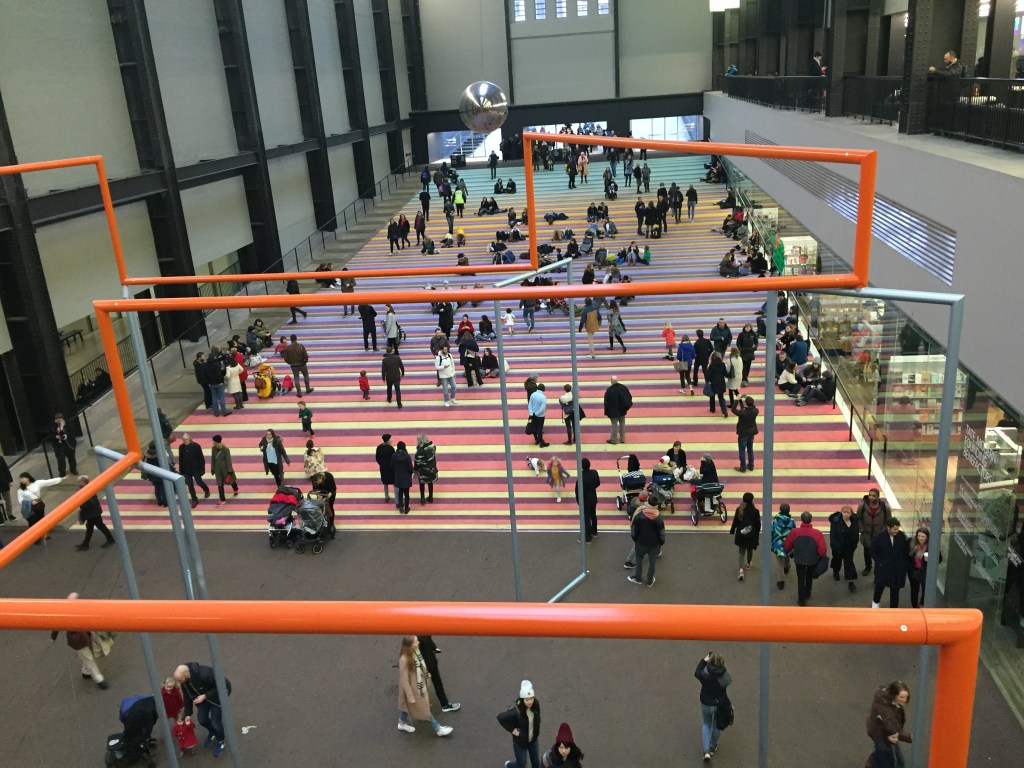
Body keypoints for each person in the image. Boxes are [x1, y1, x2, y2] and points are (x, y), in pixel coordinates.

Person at [51, 592, 114, 689]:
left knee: (89, 656)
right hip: (79, 640)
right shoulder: (66, 613)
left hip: (86, 636)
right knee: (88, 658)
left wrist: (53, 638)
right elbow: (56, 626)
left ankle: (86, 671)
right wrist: (53, 637)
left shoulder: (74, 609)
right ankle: (99, 680)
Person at [397, 635, 454, 737]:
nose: (418, 643)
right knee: (424, 709)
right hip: (413, 691)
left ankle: (401, 723)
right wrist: (410, 697)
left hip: (418, 687)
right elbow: (404, 680)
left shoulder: (416, 652)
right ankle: (438, 728)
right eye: (415, 642)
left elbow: (421, 666)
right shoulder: (404, 660)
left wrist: (426, 674)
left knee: (406, 708)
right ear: (410, 645)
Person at [174, 662, 230, 757]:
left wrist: (205, 696)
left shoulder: (205, 674)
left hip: (216, 698)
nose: (179, 683)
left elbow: (223, 685)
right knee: (202, 720)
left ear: (186, 675)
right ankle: (213, 732)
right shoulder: (184, 680)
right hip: (202, 698)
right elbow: (187, 696)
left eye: (179, 680)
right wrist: (188, 714)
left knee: (215, 722)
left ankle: (220, 740)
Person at [784, 511, 828, 606]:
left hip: (799, 559)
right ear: (811, 520)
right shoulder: (817, 533)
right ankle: (808, 592)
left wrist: (788, 551)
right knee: (809, 576)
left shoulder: (794, 532)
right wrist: (821, 556)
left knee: (800, 578)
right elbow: (822, 550)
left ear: (801, 519)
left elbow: (787, 546)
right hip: (812, 559)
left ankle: (801, 599)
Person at [695, 652, 732, 762]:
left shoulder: (705, 673)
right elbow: (728, 681)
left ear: (710, 662)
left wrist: (703, 661)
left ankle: (706, 751)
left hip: (706, 703)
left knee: (706, 724)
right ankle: (713, 746)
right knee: (717, 725)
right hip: (719, 704)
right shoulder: (725, 674)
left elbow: (697, 672)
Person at [866, 681, 912, 766]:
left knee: (894, 759)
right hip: (880, 733)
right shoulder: (884, 707)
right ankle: (873, 761)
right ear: (894, 695)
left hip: (890, 732)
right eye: (901, 697)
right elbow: (891, 723)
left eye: (906, 697)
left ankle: (873, 761)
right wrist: (911, 738)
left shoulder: (893, 702)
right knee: (891, 760)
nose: (904, 700)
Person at [498, 680, 542, 768]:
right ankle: (509, 765)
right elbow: (500, 717)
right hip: (520, 742)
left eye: (531, 699)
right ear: (522, 699)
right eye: (527, 699)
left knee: (536, 762)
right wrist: (512, 730)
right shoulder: (517, 711)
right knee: (521, 764)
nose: (530, 702)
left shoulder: (535, 705)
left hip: (533, 740)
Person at [628, 490, 665, 587]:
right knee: (652, 562)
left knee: (639, 559)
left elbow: (634, 529)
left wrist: (635, 538)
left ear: (647, 502)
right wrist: (661, 541)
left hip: (641, 542)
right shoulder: (659, 516)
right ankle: (649, 581)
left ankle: (638, 578)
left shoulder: (640, 514)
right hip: (654, 544)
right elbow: (661, 531)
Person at [871, 518, 909, 608]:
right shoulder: (879, 537)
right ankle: (875, 605)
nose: (896, 531)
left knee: (895, 591)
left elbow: (905, 551)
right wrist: (879, 562)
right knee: (879, 588)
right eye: (894, 529)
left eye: (897, 529)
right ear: (888, 527)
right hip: (883, 568)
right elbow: (872, 551)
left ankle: (893, 610)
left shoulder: (901, 536)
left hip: (897, 569)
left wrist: (903, 564)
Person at [416, 635, 460, 714]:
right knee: (423, 685)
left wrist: (434, 648)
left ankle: (444, 704)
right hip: (426, 666)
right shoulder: (417, 636)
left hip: (430, 663)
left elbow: (429, 640)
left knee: (433, 683)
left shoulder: (422, 631)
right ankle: (417, 705)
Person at [855, 488, 893, 576]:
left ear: (878, 497)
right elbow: (858, 518)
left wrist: (883, 532)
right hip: (866, 534)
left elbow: (889, 521)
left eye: (874, 496)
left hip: (879, 535)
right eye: (870, 495)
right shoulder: (862, 506)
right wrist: (862, 529)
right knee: (867, 552)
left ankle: (879, 569)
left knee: (879, 553)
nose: (871, 497)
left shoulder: (885, 507)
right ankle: (868, 567)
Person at [72, 474, 115, 551]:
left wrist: (82, 506)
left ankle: (110, 540)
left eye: (79, 482)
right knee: (90, 528)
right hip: (92, 513)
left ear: (84, 482)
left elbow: (90, 503)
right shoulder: (87, 488)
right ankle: (86, 543)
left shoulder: (87, 490)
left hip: (93, 513)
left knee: (100, 526)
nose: (78, 483)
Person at [18, 472, 63, 539]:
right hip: (30, 507)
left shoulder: (37, 483)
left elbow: (48, 482)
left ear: (28, 477)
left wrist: (61, 478)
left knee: (41, 520)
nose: (22, 480)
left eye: (23, 478)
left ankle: (43, 535)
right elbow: (20, 500)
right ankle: (35, 538)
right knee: (32, 523)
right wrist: (30, 502)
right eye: (20, 478)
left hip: (39, 505)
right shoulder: (20, 490)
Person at [730, 492, 761, 581]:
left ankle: (740, 570)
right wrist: (757, 532)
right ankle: (748, 564)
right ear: (752, 500)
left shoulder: (739, 509)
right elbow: (758, 524)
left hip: (741, 533)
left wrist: (732, 530)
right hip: (751, 534)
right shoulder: (755, 511)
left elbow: (735, 521)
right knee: (750, 549)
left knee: (741, 551)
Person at [829, 505, 860, 593]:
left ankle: (851, 581)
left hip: (849, 547)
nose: (846, 514)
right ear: (841, 512)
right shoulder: (836, 522)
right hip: (838, 546)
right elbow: (833, 536)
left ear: (851, 513)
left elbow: (856, 534)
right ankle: (836, 571)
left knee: (849, 563)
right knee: (837, 560)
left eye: (848, 512)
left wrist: (854, 545)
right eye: (844, 512)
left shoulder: (854, 521)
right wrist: (835, 546)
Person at [177, 433, 210, 506]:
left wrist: (202, 469)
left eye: (186, 439)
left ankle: (206, 489)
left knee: (199, 482)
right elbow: (181, 459)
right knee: (190, 485)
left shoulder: (196, 446)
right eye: (183, 440)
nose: (184, 441)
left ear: (190, 438)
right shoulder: (181, 447)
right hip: (186, 470)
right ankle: (194, 500)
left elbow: (201, 459)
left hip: (196, 469)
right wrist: (181, 470)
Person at [574, 457, 601, 541]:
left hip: (585, 501)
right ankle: (594, 532)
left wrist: (579, 501)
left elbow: (578, 491)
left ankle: (587, 537)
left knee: (586, 518)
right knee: (593, 515)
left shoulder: (581, 477)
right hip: (593, 497)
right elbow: (598, 483)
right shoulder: (594, 472)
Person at [770, 503, 795, 590]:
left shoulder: (775, 520)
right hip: (788, 544)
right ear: (789, 510)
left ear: (780, 510)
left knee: (780, 562)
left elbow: (771, 531)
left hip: (777, 544)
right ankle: (787, 566)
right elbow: (794, 533)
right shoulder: (791, 521)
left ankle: (780, 581)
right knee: (786, 555)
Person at [907, 527, 934, 608]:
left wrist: (930, 560)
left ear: (927, 537)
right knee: (914, 590)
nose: (920, 538)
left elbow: (939, 558)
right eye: (918, 536)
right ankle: (915, 607)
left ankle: (922, 603)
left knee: (925, 589)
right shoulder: (911, 543)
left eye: (923, 537)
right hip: (913, 571)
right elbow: (907, 557)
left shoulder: (931, 546)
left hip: (925, 571)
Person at [731, 395, 759, 472]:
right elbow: (752, 406)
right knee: (750, 449)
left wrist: (736, 400)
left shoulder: (742, 413)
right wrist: (747, 399)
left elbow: (733, 409)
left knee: (742, 451)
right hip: (751, 433)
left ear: (746, 404)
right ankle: (751, 465)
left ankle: (743, 468)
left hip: (743, 434)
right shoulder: (755, 411)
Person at [603, 376, 633, 445]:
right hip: (622, 410)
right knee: (622, 424)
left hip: (613, 412)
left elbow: (606, 402)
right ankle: (622, 439)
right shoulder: (623, 388)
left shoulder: (609, 390)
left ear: (611, 381)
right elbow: (629, 397)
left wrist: (606, 411)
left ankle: (613, 440)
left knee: (614, 425)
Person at [210, 435, 237, 506]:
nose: (213, 443)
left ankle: (235, 488)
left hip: (225, 469)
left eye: (214, 442)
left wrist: (229, 471)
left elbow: (228, 460)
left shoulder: (225, 449)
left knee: (231, 481)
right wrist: (212, 468)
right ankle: (222, 499)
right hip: (217, 470)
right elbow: (213, 459)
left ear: (217, 442)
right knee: (220, 485)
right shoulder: (213, 449)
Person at [50, 412, 78, 476]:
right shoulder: (52, 425)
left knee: (71, 458)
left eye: (60, 419)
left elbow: (72, 431)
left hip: (68, 444)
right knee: (61, 460)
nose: (59, 420)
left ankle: (73, 470)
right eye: (57, 419)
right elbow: (50, 434)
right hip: (59, 445)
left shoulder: (67, 423)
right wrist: (56, 436)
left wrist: (66, 435)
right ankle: (62, 473)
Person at [414, 434, 438, 504]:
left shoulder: (419, 451)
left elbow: (417, 462)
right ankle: (430, 497)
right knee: (430, 483)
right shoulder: (432, 447)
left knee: (422, 483)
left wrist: (415, 471)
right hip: (431, 469)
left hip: (423, 470)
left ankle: (422, 499)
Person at [392, 440, 413, 514]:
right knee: (406, 494)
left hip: (398, 478)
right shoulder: (407, 456)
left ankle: (401, 507)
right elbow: (410, 468)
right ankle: (406, 508)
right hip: (406, 478)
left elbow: (392, 466)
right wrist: (410, 473)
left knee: (400, 493)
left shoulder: (394, 456)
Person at [705, 351, 728, 417]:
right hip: (721, 382)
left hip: (713, 383)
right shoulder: (722, 364)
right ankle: (724, 411)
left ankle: (712, 409)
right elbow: (725, 373)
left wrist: (707, 381)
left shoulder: (711, 365)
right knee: (721, 397)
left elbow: (708, 375)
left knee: (712, 396)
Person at [376, 434, 396, 504]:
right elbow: (394, 459)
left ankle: (386, 496)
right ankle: (397, 497)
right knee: (394, 482)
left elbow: (377, 458)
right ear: (387, 440)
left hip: (383, 468)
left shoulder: (379, 447)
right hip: (391, 468)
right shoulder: (391, 448)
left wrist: (382, 464)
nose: (391, 440)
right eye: (390, 439)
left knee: (385, 482)